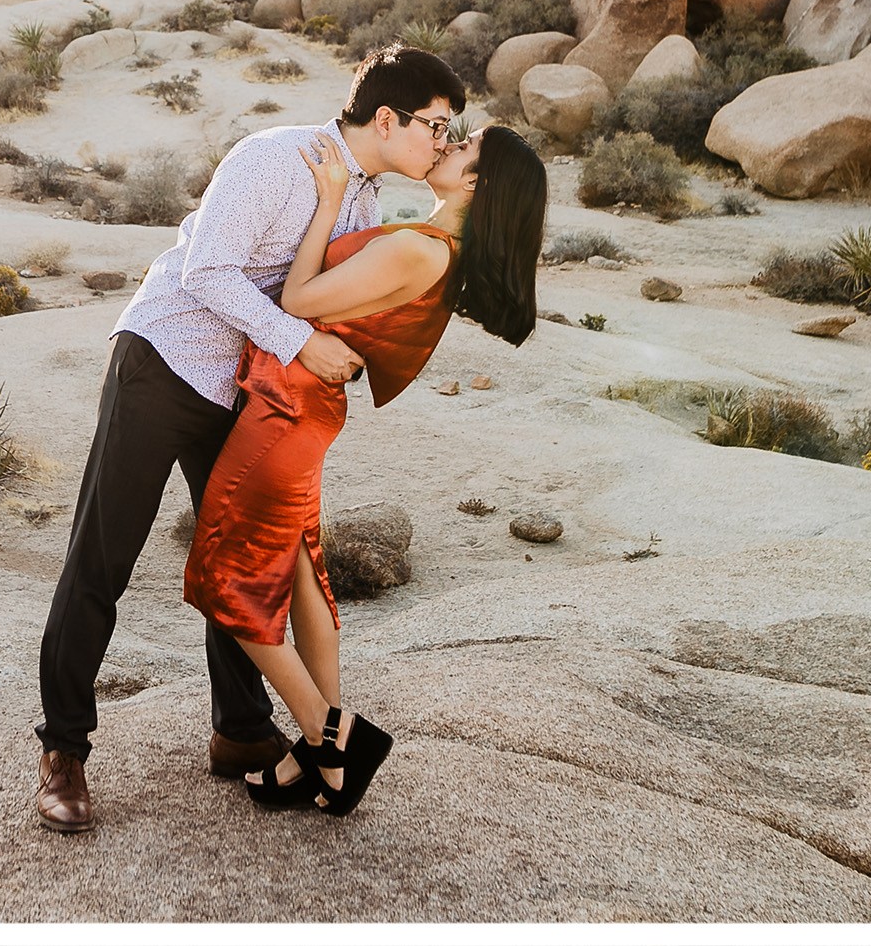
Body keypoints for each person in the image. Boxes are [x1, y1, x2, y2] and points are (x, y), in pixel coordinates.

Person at [32, 44, 471, 834]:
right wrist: (301, 343)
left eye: (450, 134)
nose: (442, 144)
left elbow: (334, 299)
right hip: (165, 363)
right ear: (387, 118)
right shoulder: (274, 158)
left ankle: (238, 731)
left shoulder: (366, 204)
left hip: (244, 388)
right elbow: (207, 271)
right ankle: (64, 754)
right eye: (438, 127)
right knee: (103, 558)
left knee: (249, 558)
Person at [184, 121, 545, 816]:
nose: (446, 146)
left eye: (462, 145)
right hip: (300, 405)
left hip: (283, 412)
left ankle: (333, 737)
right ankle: (329, 770)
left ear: (479, 183)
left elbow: (295, 303)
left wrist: (327, 202)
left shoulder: (418, 249)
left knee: (224, 578)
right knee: (299, 566)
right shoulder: (436, 245)